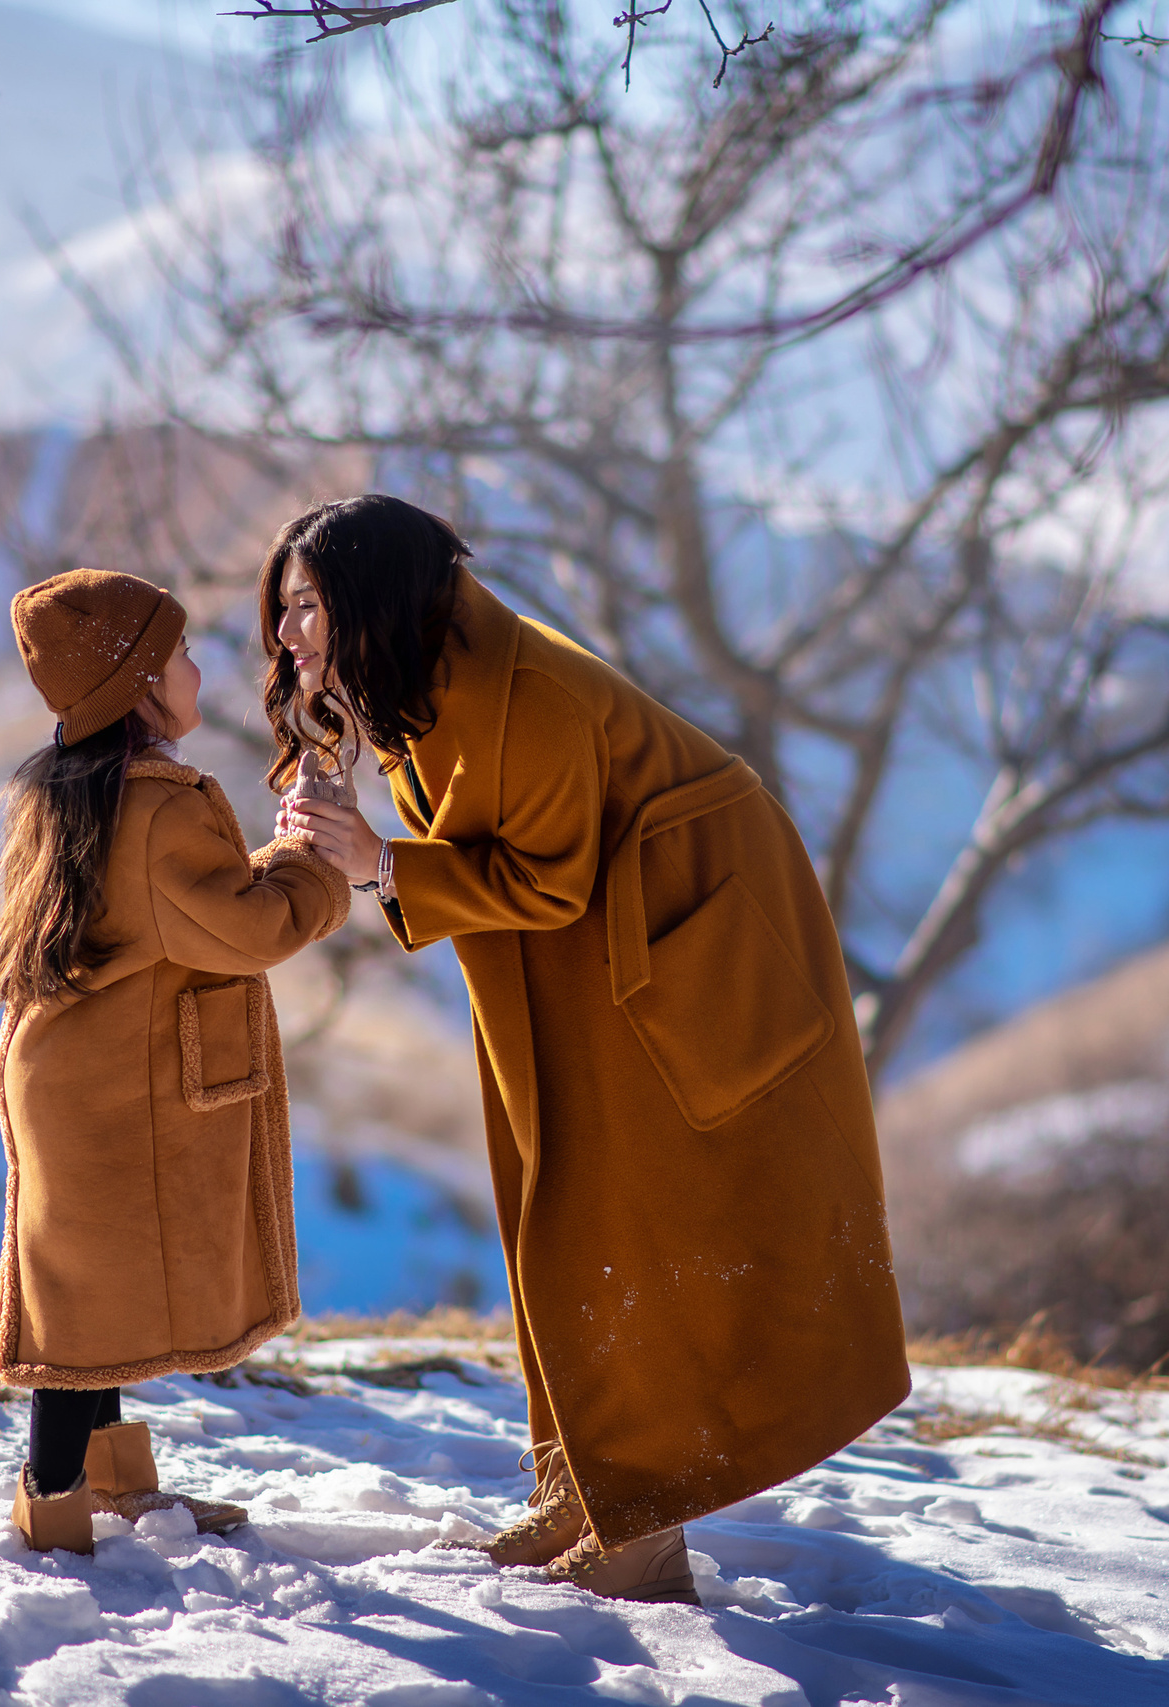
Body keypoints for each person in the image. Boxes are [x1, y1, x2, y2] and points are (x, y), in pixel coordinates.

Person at [270, 495, 909, 1605]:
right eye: (283, 613)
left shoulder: (534, 689)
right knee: (552, 1197)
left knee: (624, 1213)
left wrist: (381, 861)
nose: (288, 638)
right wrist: (353, 797)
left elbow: (548, 879)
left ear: (373, 595)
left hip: (683, 942)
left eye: (307, 608)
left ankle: (640, 1526)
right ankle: (587, 1487)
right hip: (589, 951)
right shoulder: (438, 667)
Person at [0, 568, 350, 1555]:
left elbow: (186, 914)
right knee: (85, 1306)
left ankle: (109, 1483)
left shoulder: (70, 783)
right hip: (112, 1088)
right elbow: (246, 930)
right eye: (177, 654)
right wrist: (315, 863)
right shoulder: (158, 807)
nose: (194, 668)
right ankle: (51, 1507)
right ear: (141, 681)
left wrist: (276, 855)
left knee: (96, 1278)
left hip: (75, 1077)